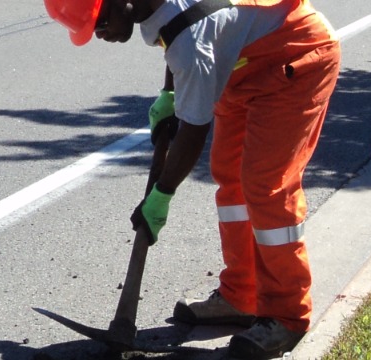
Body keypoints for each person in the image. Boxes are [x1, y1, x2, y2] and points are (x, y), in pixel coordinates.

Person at [44, 0, 340, 357]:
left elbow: (193, 130)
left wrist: (161, 196)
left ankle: (287, 315)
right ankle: (241, 296)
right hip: (242, 64)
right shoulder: (161, 13)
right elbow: (178, 32)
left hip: (296, 57)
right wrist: (171, 92)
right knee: (230, 178)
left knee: (266, 185)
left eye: (100, 23)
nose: (99, 34)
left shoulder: (191, 46)